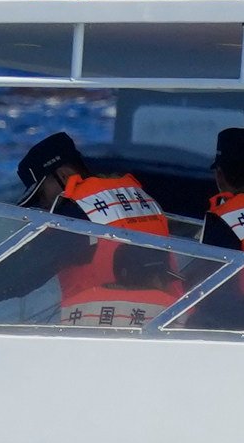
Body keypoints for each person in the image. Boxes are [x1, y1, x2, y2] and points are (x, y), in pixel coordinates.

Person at [13, 128, 173, 324]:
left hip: (104, 327)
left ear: (63, 176)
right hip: (165, 320)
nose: (44, 206)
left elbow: (25, 272)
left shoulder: (76, 211)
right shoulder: (140, 197)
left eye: (42, 195)